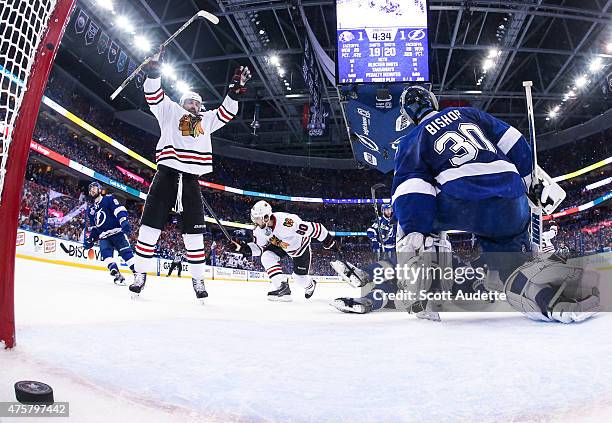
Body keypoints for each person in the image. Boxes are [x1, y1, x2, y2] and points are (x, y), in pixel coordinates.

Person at [389, 85, 598, 323]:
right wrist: (529, 182)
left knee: (411, 221)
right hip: (511, 197)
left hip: (463, 201)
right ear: (433, 103)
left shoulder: (411, 139)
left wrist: (417, 228)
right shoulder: (469, 113)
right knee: (513, 262)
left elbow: (412, 189)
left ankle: (424, 295)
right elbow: (515, 141)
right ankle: (551, 299)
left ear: (407, 115)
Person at [128, 49, 251, 301]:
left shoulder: (207, 119)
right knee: (149, 228)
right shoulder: (169, 111)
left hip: (192, 180)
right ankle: (139, 275)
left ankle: (198, 280)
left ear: (201, 106)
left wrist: (234, 91)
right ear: (182, 103)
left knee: (194, 235)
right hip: (166, 175)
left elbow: (227, 112)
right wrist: (153, 70)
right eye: (189, 101)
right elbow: (153, 94)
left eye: (196, 102)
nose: (192, 104)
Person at [230, 200, 339, 301]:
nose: (255, 221)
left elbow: (316, 229)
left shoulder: (287, 223)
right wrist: (243, 248)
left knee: (299, 279)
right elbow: (260, 248)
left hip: (299, 249)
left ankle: (311, 285)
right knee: (266, 256)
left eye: (258, 218)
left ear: (266, 217)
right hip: (281, 246)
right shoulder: (260, 230)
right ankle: (283, 287)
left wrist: (329, 242)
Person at [85, 182, 135, 285]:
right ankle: (118, 275)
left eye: (94, 188)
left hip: (116, 232)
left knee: (127, 255)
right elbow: (95, 227)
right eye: (90, 189)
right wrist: (91, 239)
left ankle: (138, 275)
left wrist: (123, 220)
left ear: (99, 190)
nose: (92, 190)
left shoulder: (109, 198)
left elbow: (118, 209)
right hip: (104, 236)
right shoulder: (91, 210)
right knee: (106, 255)